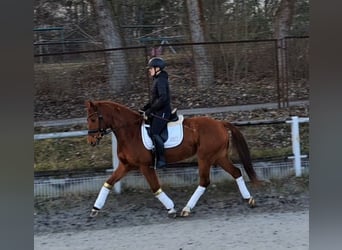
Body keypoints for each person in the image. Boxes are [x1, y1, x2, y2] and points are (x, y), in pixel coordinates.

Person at [142, 57, 172, 169]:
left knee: (154, 132)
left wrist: (151, 110)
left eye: (151, 68)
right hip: (158, 110)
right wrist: (145, 108)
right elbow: (155, 98)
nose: (149, 70)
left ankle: (161, 160)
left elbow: (163, 98)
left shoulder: (161, 80)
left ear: (157, 68)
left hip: (163, 111)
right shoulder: (157, 80)